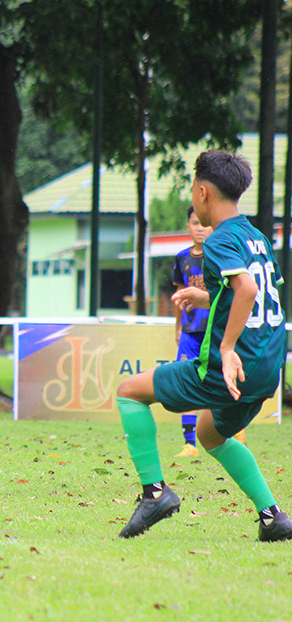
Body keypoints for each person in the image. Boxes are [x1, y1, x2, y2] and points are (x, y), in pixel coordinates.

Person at [115, 150, 291, 542]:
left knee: (129, 392)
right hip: (267, 368)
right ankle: (272, 517)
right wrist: (206, 296)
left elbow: (246, 289)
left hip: (231, 366)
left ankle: (155, 494)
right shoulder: (256, 238)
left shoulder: (219, 240)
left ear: (202, 192)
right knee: (210, 434)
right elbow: (256, 296)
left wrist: (226, 349)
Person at [171, 206, 211, 457]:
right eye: (195, 223)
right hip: (190, 330)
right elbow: (179, 295)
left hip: (214, 330)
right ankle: (189, 443)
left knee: (219, 381)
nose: (200, 229)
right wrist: (178, 326)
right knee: (185, 381)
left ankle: (235, 436)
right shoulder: (181, 258)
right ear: (188, 226)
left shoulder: (220, 257)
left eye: (204, 224)